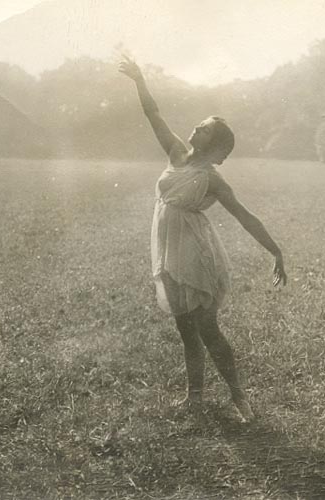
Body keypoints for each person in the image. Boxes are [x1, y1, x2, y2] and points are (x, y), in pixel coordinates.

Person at [119, 56, 287, 421]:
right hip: (168, 249)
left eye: (207, 128)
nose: (198, 127)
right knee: (184, 327)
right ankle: (194, 396)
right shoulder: (177, 153)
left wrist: (275, 252)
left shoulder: (213, 179)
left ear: (216, 146)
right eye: (201, 124)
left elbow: (244, 216)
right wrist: (140, 78)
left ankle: (239, 397)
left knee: (207, 328)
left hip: (196, 253)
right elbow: (153, 114)